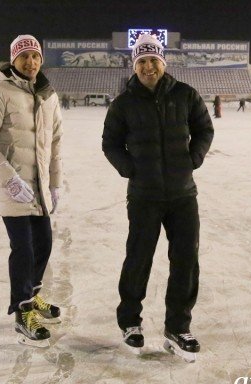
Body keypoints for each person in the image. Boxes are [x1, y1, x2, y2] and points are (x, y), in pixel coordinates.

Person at [102, 34, 214, 362]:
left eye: (153, 60)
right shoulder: (123, 103)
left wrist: (193, 158)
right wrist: (130, 169)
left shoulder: (185, 95)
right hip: (144, 196)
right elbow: (110, 143)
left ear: (163, 62)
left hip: (182, 195)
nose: (148, 67)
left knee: (186, 260)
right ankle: (130, 322)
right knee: (138, 259)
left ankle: (178, 326)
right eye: (142, 61)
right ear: (134, 65)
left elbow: (204, 129)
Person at [0, 34, 63, 348]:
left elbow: (55, 143)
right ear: (13, 60)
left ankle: (33, 295)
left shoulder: (48, 96)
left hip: (39, 188)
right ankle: (23, 311)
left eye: (35, 56)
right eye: (24, 56)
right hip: (13, 188)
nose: (31, 61)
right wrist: (9, 180)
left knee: (43, 244)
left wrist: (54, 183)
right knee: (23, 249)